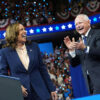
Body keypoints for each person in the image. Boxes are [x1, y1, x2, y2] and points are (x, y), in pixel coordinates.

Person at [0, 22, 57, 100]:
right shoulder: (5, 52)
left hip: (41, 92)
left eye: (24, 29)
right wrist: (16, 87)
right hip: (22, 94)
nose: (25, 31)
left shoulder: (34, 46)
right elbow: (4, 76)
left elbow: (42, 69)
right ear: (13, 34)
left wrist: (51, 89)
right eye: (21, 30)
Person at [64, 14, 100, 95]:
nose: (78, 26)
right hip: (90, 83)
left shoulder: (98, 33)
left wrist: (85, 48)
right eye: (76, 24)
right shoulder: (79, 41)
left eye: (80, 23)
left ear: (88, 22)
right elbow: (74, 63)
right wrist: (72, 50)